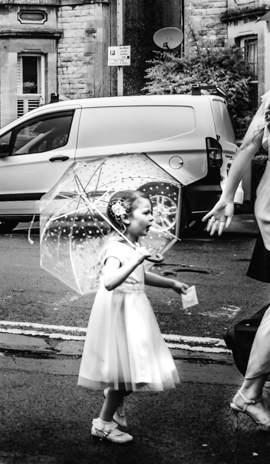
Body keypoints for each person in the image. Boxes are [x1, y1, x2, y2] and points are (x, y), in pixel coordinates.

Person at [203, 77, 270, 430]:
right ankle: (249, 391)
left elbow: (247, 147)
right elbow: (248, 146)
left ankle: (257, 385)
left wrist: (229, 196)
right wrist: (226, 197)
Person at [78, 190, 191, 444]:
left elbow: (140, 275)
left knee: (137, 369)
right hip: (120, 311)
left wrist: (170, 282)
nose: (153, 217)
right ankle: (103, 424)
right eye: (147, 212)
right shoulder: (115, 248)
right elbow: (109, 281)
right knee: (128, 372)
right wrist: (137, 258)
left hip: (135, 309)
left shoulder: (133, 246)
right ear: (126, 218)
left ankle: (113, 396)